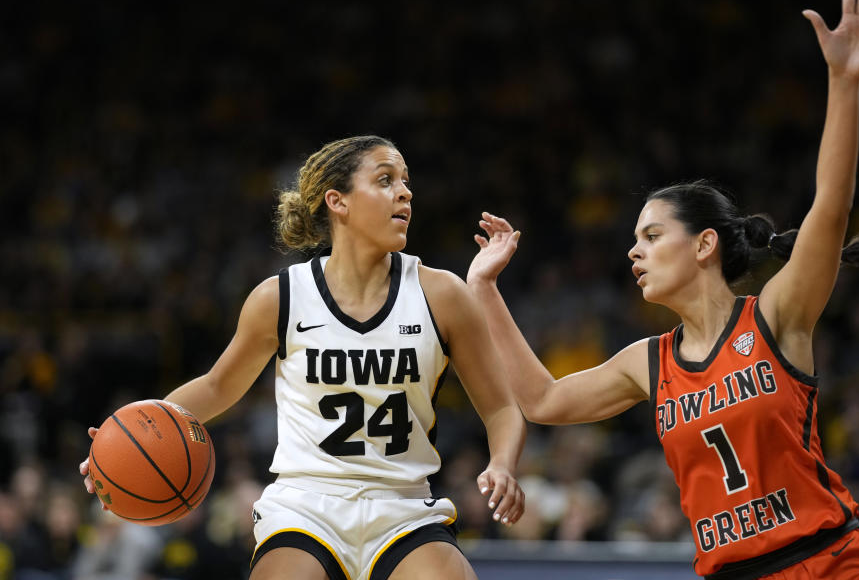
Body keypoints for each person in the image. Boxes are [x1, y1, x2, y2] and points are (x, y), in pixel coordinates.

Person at [467, 0, 859, 579]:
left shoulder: (776, 315)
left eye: (650, 236)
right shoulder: (647, 361)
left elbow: (829, 203)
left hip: (831, 563)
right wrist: (484, 289)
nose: (633, 252)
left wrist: (844, 81)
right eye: (633, 239)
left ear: (703, 244)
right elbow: (540, 400)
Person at [79, 135, 526, 580]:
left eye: (406, 182)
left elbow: (503, 407)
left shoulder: (442, 294)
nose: (405, 192)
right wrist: (123, 438)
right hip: (305, 504)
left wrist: (502, 463)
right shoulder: (282, 297)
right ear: (338, 201)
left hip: (403, 503)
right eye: (386, 180)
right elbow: (217, 387)